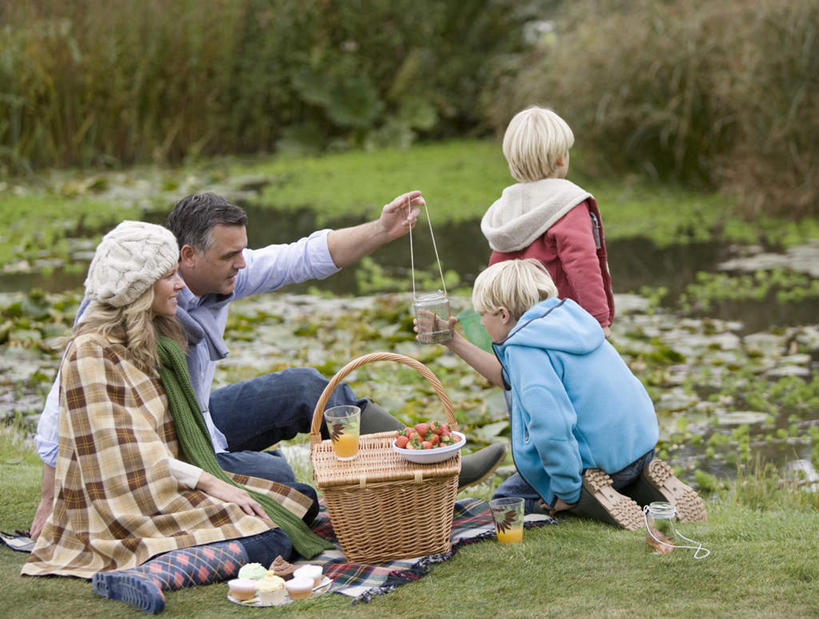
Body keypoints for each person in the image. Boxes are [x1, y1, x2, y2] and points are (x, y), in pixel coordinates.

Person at [30, 191, 507, 538]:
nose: (243, 263)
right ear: (186, 256)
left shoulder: (224, 275)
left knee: (304, 387)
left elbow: (302, 257)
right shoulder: (127, 300)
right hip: (166, 446)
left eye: (243, 250)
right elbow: (64, 399)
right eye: (231, 254)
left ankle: (425, 463)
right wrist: (52, 496)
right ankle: (315, 486)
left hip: (199, 422)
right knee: (283, 483)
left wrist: (382, 230)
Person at [22, 221, 331, 614]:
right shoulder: (92, 352)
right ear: (138, 287)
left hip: (165, 481)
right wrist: (214, 484)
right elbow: (128, 459)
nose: (180, 285)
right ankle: (150, 574)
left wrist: (217, 484)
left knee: (299, 501)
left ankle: (169, 558)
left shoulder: (150, 338)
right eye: (169, 276)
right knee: (270, 534)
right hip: (124, 505)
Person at [418, 259, 706, 529]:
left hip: (595, 465)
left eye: (483, 315)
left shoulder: (525, 350)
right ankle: (642, 485)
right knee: (617, 472)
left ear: (503, 314)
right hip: (637, 448)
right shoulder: (567, 321)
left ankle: (593, 497)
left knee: (506, 503)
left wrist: (566, 492)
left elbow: (551, 427)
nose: (480, 323)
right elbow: (506, 377)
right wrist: (452, 340)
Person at [480, 106, 615, 335]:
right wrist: (598, 320)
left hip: (517, 330)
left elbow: (497, 272)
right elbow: (582, 263)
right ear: (562, 158)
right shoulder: (568, 203)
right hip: (562, 324)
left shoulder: (503, 208)